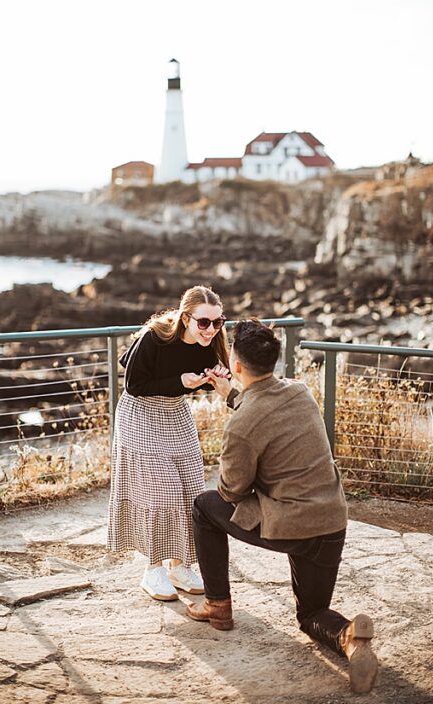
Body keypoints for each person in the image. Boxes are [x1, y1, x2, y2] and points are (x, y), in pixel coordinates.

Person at [187, 319, 378, 694]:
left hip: (291, 527)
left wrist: (239, 426)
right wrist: (232, 396)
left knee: (204, 506)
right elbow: (264, 408)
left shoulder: (241, 425)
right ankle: (350, 639)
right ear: (273, 360)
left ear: (236, 366)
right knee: (311, 614)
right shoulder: (300, 391)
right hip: (331, 522)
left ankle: (218, 605)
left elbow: (230, 491)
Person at [107, 285, 231, 601]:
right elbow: (134, 385)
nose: (212, 329)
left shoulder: (212, 341)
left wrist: (213, 379)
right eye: (204, 322)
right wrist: (180, 382)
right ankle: (153, 570)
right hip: (140, 413)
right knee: (163, 492)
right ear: (185, 317)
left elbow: (207, 380)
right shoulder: (155, 336)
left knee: (191, 489)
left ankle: (180, 565)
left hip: (175, 413)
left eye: (218, 322)